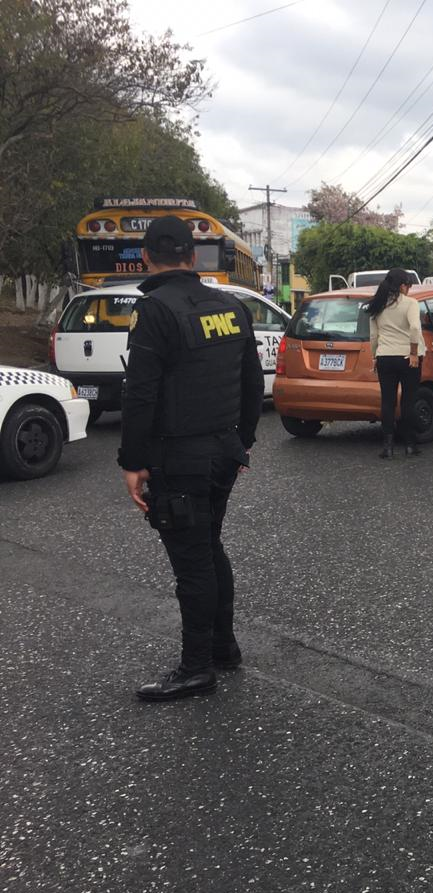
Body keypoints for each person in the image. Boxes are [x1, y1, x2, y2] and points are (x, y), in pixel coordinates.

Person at [119, 216, 263, 702]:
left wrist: (132, 461)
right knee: (209, 546)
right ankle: (223, 648)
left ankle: (197, 666)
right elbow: (251, 382)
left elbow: (139, 393)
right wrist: (243, 439)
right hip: (223, 450)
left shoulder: (155, 310)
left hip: (180, 456)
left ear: (146, 256)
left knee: (194, 562)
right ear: (192, 256)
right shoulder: (231, 306)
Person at [368, 268, 426, 459]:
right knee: (409, 401)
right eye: (408, 285)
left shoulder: (378, 304)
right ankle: (410, 445)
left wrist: (375, 357)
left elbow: (374, 335)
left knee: (388, 401)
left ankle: (388, 446)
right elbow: (415, 327)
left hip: (385, 356)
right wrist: (413, 353)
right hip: (407, 357)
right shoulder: (410, 303)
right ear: (402, 286)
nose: (409, 289)